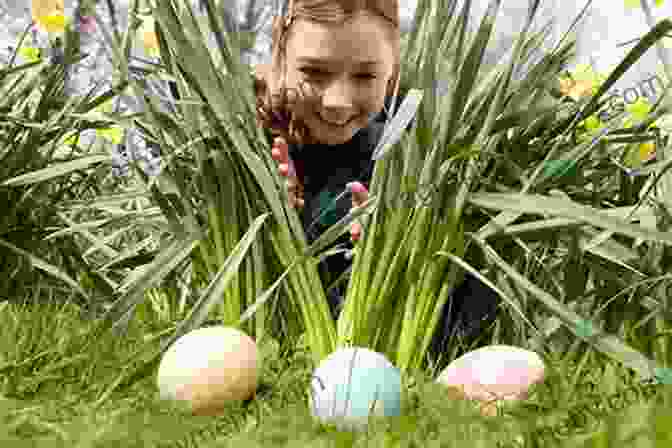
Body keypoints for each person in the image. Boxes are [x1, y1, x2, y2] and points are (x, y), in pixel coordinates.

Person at [253, 0, 500, 367]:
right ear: (280, 61)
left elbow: (468, 314)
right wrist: (279, 225)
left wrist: (397, 254)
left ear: (392, 71)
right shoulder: (247, 145)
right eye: (314, 73)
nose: (337, 102)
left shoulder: (413, 158)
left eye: (365, 76)